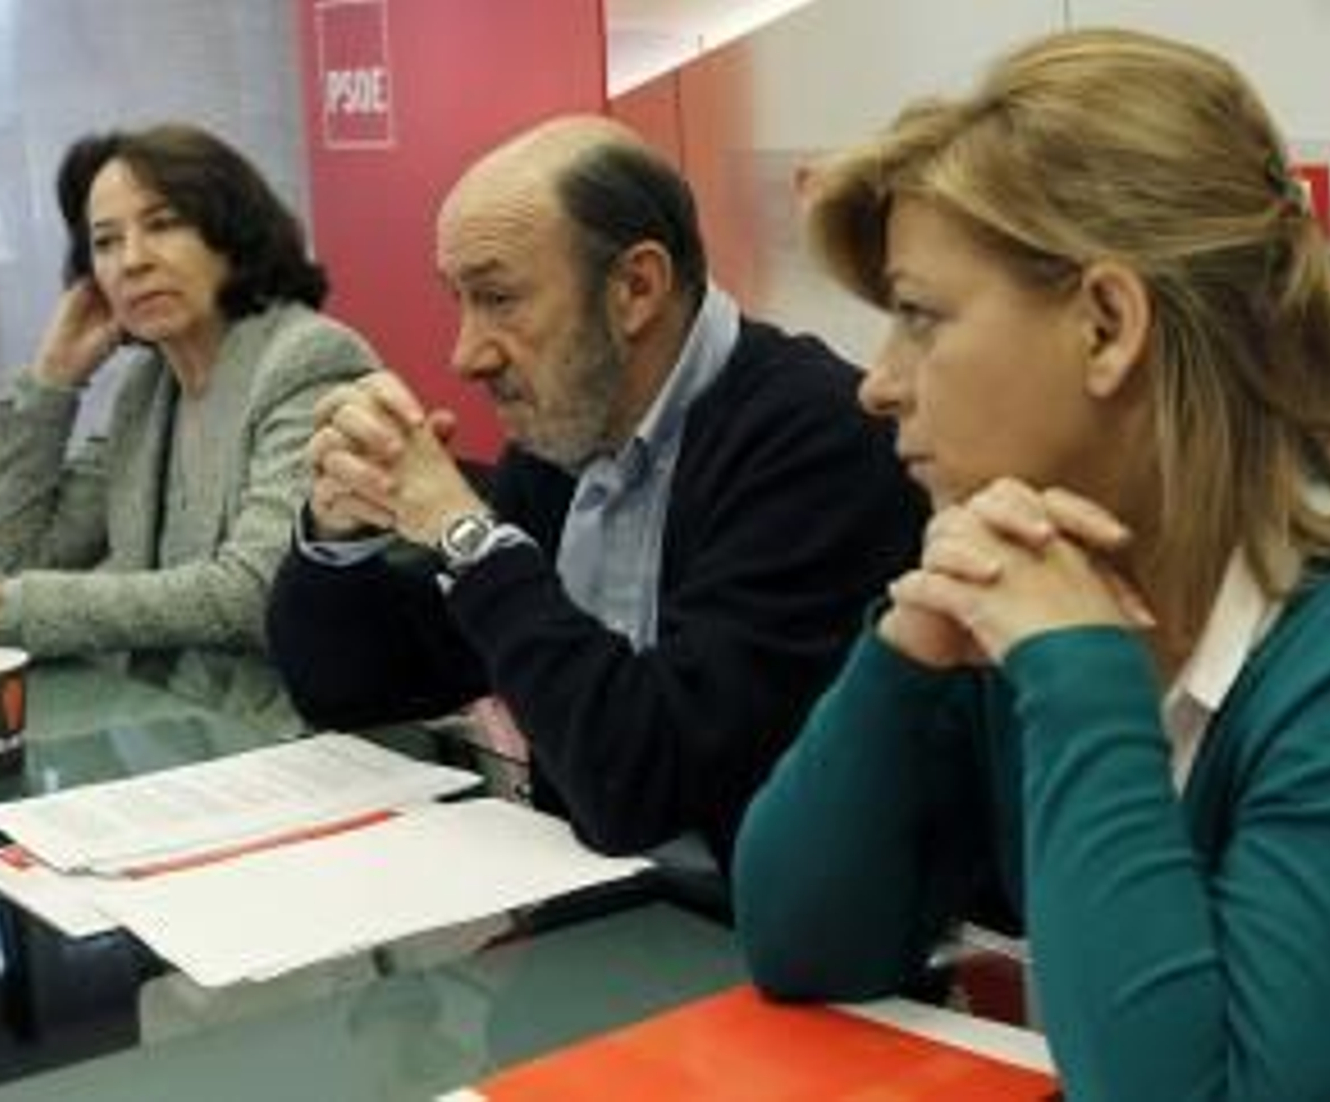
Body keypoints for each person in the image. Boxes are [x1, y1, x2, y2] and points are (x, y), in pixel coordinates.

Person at [733, 27, 1330, 1101]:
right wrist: (903, 660)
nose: (877, 384)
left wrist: (1079, 676)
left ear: (1105, 323)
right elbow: (803, 945)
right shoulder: (1030, 569)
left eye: (918, 316)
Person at [266, 115, 924, 869]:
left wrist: (467, 537)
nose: (465, 354)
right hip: (609, 914)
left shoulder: (819, 440)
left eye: (499, 298)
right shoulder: (566, 435)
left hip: (756, 945)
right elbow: (357, 689)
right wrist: (337, 536)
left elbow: (644, 787)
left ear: (636, 288)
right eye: (459, 299)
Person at [0, 123, 379, 725]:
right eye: (105, 242)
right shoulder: (148, 387)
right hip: (161, 729)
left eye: (163, 224)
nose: (132, 261)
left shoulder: (308, 361)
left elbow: (253, 594)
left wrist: (0, 607)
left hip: (294, 738)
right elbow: (8, 562)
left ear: (232, 234)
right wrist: (53, 383)